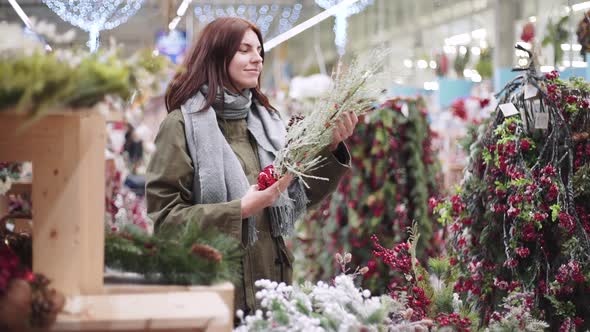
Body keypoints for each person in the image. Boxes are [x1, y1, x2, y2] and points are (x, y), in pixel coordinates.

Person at [145, 17, 357, 317]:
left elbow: (298, 198)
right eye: (244, 50)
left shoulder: (267, 122)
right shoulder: (180, 126)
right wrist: (239, 210)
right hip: (215, 292)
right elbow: (165, 220)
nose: (257, 58)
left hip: (271, 289)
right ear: (217, 55)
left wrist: (331, 148)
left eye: (259, 50)